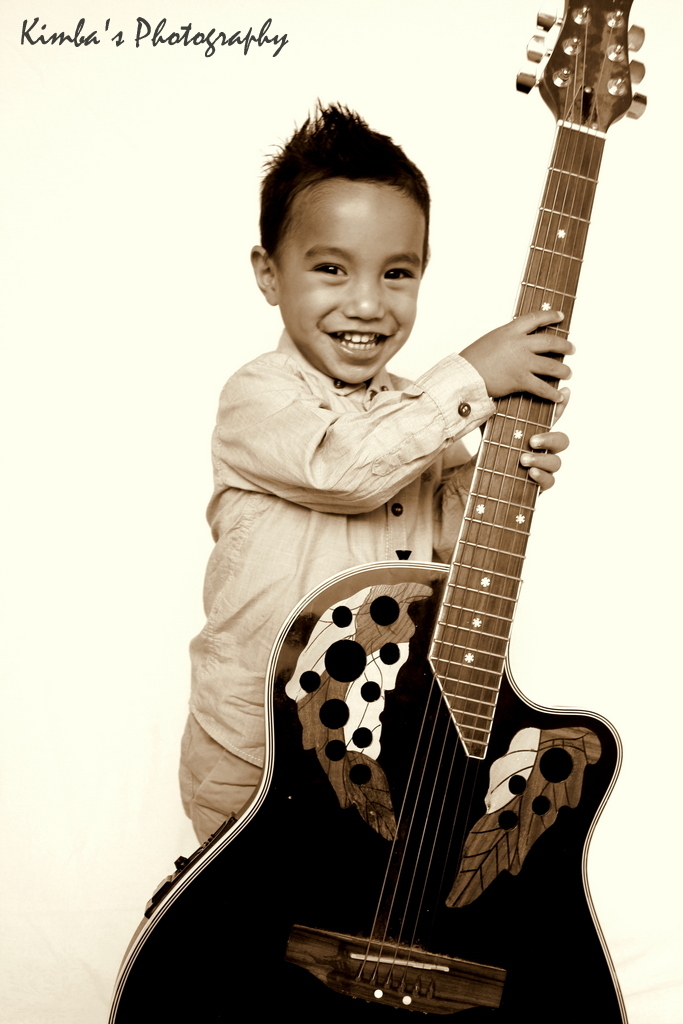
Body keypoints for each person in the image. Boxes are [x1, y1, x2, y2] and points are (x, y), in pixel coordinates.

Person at [179, 105, 572, 843]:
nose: (366, 303)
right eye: (330, 269)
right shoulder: (258, 397)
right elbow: (347, 468)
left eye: (397, 273)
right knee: (258, 911)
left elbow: (450, 557)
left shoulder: (420, 415)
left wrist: (503, 470)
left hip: (377, 744)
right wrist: (471, 376)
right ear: (268, 274)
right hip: (254, 750)